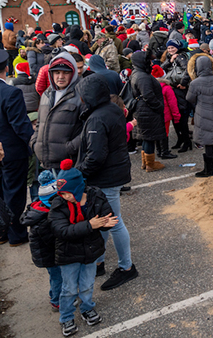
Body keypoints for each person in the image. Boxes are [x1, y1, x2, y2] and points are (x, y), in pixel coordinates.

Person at [75, 74, 138, 290]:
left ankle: (126, 268)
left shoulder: (97, 118)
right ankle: (99, 261)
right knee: (102, 218)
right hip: (115, 171)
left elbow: (96, 156)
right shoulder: (112, 108)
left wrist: (78, 173)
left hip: (106, 177)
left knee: (113, 221)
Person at [49, 159, 117, 336]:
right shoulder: (58, 205)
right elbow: (61, 230)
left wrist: (106, 223)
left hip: (90, 251)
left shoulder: (95, 196)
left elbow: (105, 216)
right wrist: (91, 225)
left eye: (67, 193)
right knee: (69, 288)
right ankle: (66, 317)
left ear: (78, 188)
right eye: (62, 194)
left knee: (87, 284)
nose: (65, 197)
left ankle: (87, 308)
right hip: (68, 254)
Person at [0, 50, 34, 246]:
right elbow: (20, 125)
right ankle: (16, 234)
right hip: (12, 152)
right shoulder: (11, 92)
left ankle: (0, 232)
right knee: (14, 194)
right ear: (6, 68)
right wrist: (33, 142)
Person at [31, 52, 84, 174]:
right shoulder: (46, 94)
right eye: (57, 72)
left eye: (66, 72)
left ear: (73, 73)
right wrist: (35, 142)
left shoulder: (81, 95)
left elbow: (87, 127)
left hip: (68, 163)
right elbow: (40, 123)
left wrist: (70, 147)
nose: (61, 76)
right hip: (45, 163)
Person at [20, 171, 62, 311]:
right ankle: (57, 301)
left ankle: (53, 295)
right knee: (58, 278)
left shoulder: (37, 211)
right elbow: (52, 240)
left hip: (45, 254)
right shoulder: (44, 220)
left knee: (54, 277)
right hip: (49, 255)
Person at [130, 51, 166, 172]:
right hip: (148, 110)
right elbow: (148, 95)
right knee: (149, 137)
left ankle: (146, 162)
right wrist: (159, 106)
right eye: (149, 61)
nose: (151, 63)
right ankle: (150, 164)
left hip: (143, 109)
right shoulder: (143, 76)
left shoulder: (137, 73)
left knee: (146, 137)